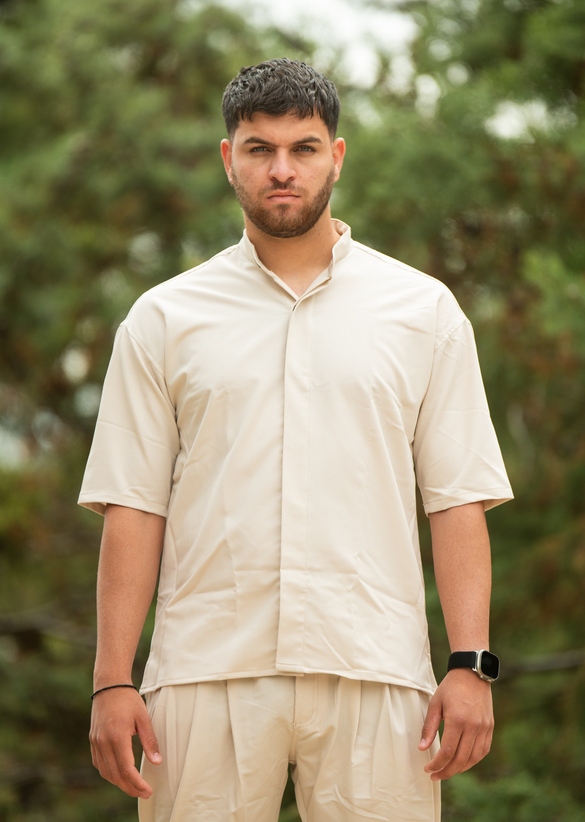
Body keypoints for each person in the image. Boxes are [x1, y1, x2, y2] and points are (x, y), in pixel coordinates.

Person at [80, 58, 513, 822]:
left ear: (335, 156)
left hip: (375, 666)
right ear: (229, 158)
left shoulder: (423, 312)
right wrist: (112, 679)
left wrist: (470, 665)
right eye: (260, 149)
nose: (282, 169)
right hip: (205, 668)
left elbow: (457, 498)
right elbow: (133, 505)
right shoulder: (164, 318)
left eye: (303, 148)